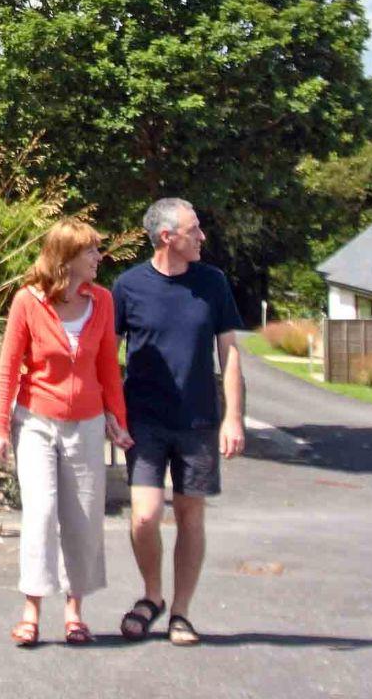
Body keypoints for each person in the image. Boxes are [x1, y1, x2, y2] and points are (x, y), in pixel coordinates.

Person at [0, 218, 133, 648]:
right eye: (90, 251)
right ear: (66, 259)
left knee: (84, 516)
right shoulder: (27, 301)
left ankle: (74, 612)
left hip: (86, 422)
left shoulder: (102, 301)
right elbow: (8, 368)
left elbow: (107, 364)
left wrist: (117, 418)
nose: (98, 258)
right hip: (35, 419)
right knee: (41, 510)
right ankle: (31, 611)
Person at [112, 196, 245, 647]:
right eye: (194, 230)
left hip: (199, 421)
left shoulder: (213, 283)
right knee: (145, 517)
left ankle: (181, 612)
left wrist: (233, 418)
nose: (202, 236)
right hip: (144, 421)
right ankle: (152, 596)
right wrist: (111, 412)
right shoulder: (128, 286)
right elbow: (106, 354)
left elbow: (229, 352)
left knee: (190, 516)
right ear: (167, 237)